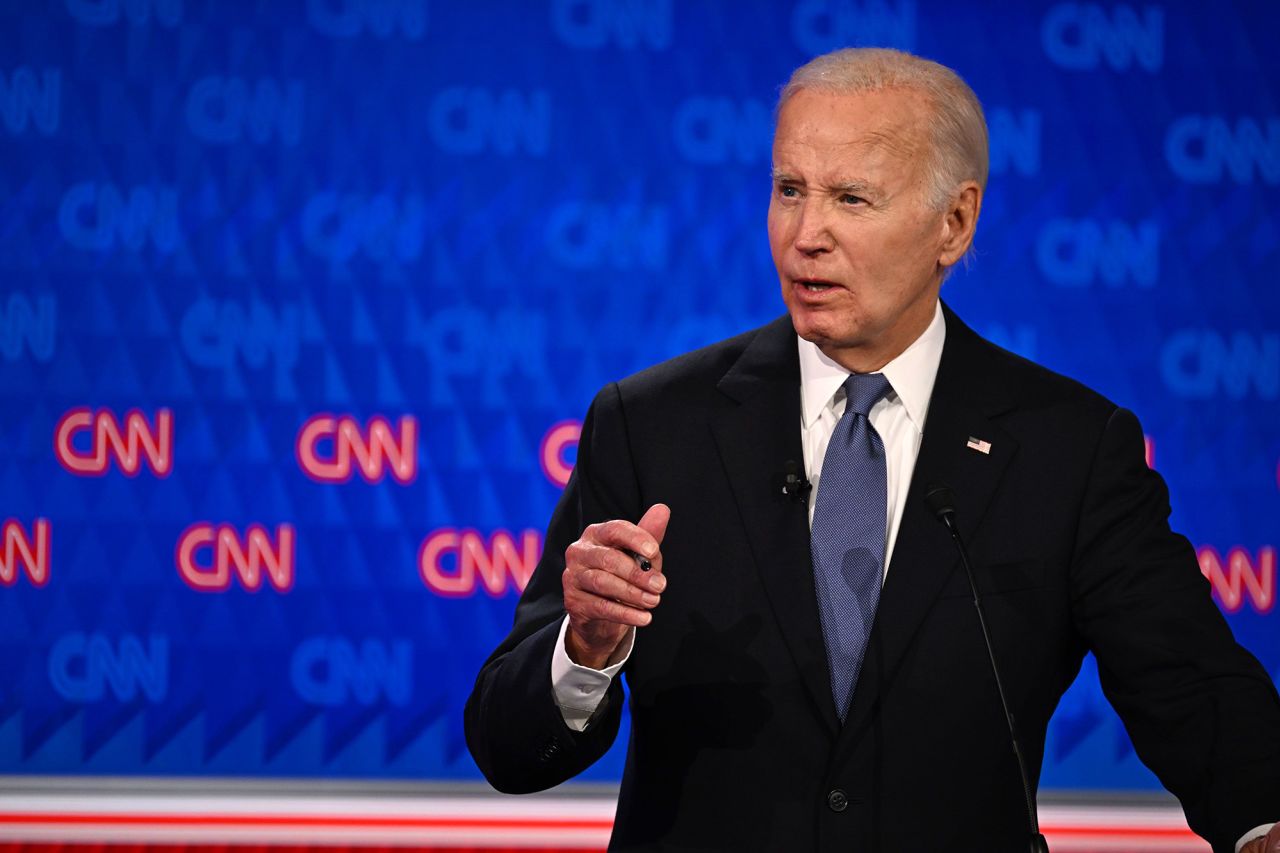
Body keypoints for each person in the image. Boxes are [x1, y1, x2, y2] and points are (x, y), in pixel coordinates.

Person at [464, 47, 1280, 852]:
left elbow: (1193, 686)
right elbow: (507, 745)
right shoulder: (650, 424)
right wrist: (585, 651)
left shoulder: (1067, 446)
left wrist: (1262, 820)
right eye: (790, 190)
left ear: (953, 224)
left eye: (852, 198)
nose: (806, 234)